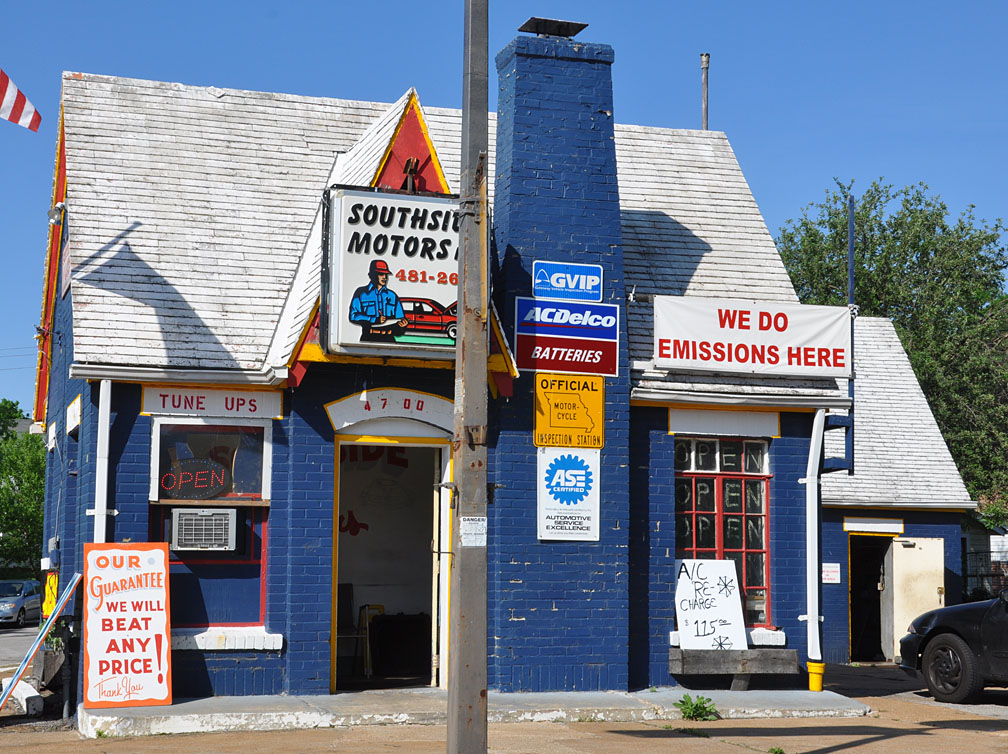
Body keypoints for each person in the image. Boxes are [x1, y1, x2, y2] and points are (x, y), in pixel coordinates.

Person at [348, 259, 409, 342]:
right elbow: (353, 316)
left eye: (386, 274)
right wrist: (374, 319)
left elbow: (399, 322)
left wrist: (402, 326)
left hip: (389, 339)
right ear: (371, 275)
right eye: (381, 274)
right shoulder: (361, 293)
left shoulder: (392, 296)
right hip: (369, 338)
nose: (384, 277)